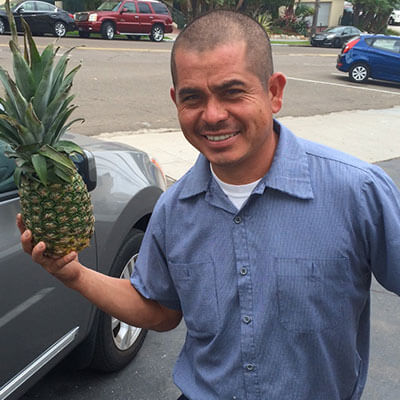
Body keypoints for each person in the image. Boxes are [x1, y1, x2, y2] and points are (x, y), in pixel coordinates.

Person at [19, 10, 400, 400]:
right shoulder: (174, 209)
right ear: (175, 101)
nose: (213, 115)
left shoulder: (358, 191)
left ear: (274, 93)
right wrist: (75, 275)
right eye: (193, 98)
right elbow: (160, 311)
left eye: (233, 91)